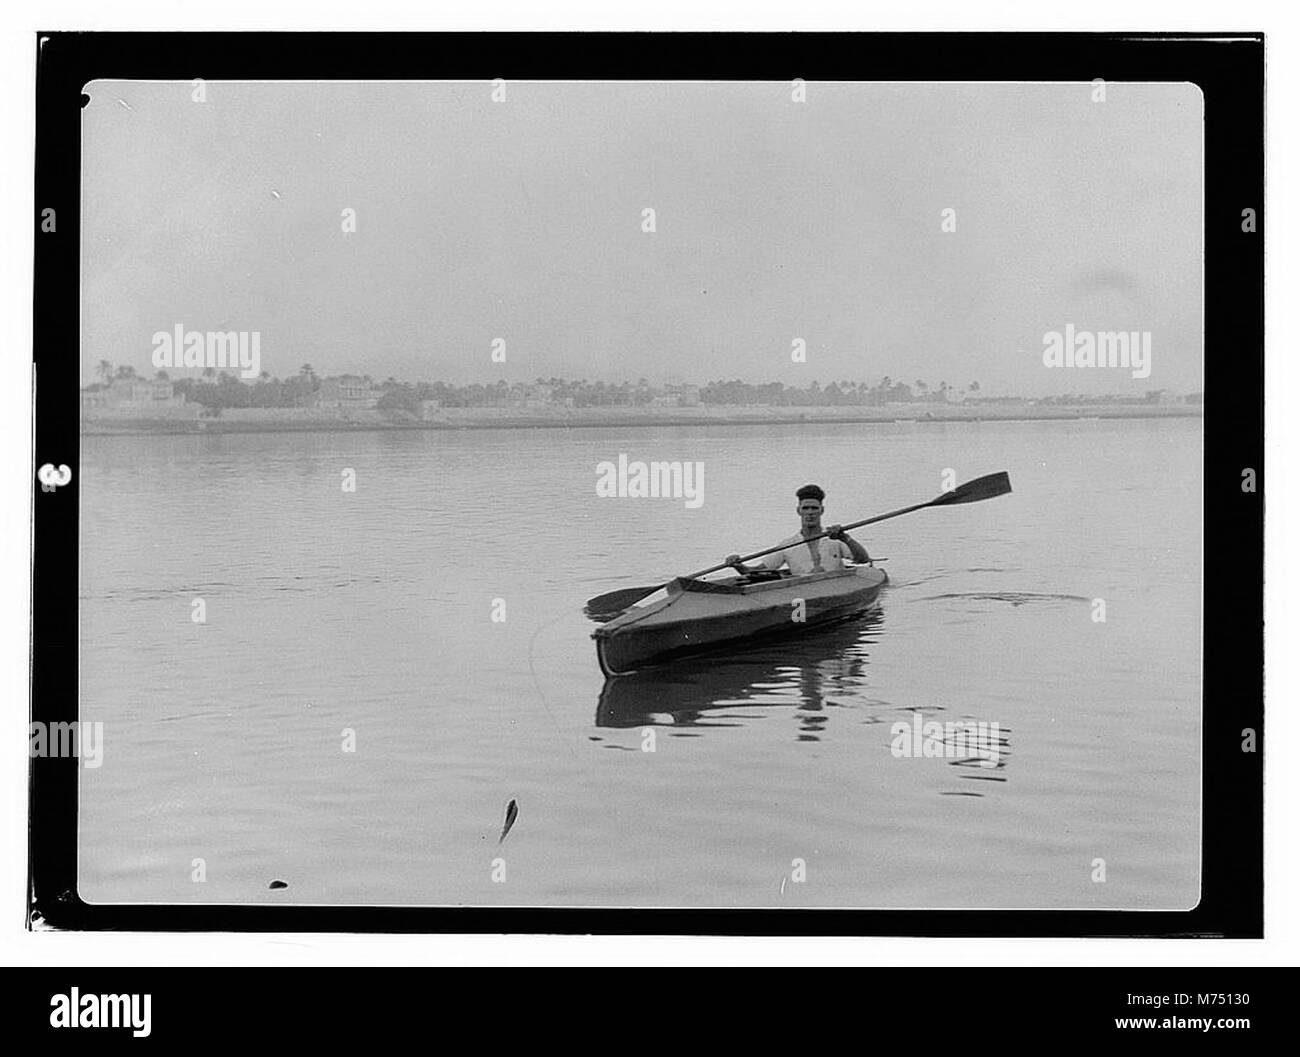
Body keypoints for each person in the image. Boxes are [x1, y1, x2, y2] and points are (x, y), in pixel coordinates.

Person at [725, 484, 870, 576]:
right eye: (805, 508)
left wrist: (845, 538)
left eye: (814, 508)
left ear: (822, 510)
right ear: (799, 511)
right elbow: (753, 572)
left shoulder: (836, 539)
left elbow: (863, 559)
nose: (810, 512)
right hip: (803, 592)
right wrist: (738, 565)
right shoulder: (788, 545)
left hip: (835, 588)